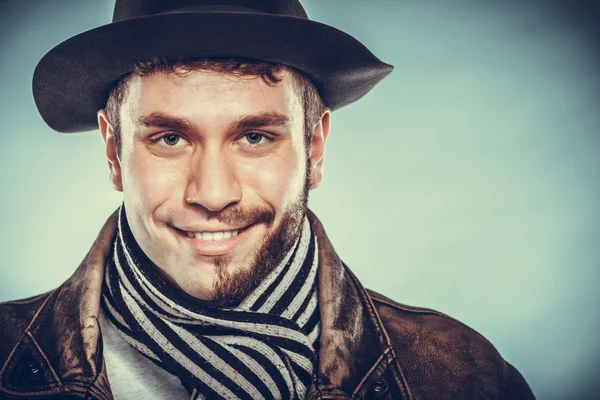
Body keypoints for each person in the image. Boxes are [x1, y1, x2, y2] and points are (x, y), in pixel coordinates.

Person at [0, 0, 536, 399]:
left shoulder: (462, 377)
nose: (212, 193)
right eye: (169, 138)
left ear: (316, 148)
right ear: (114, 151)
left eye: (255, 137)